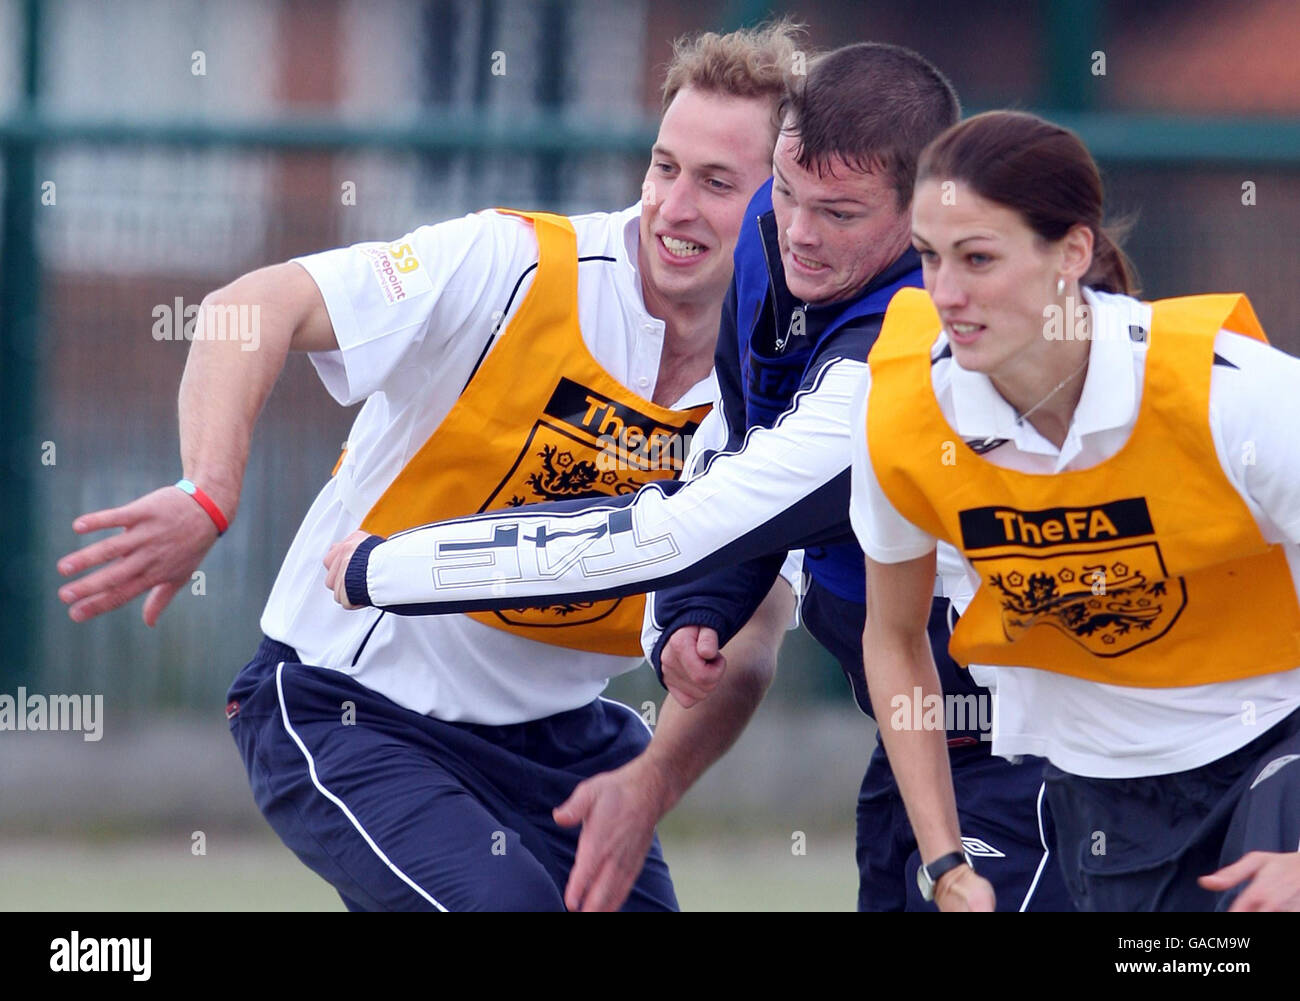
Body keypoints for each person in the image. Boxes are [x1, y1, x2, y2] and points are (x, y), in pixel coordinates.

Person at [55, 21, 805, 911]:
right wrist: (208, 492)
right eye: (663, 166)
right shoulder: (514, 264)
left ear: (782, 206)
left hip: (563, 744)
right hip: (353, 706)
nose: (673, 207)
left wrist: (657, 775)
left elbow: (756, 628)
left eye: (717, 183)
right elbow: (247, 307)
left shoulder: (786, 383)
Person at [324, 46, 1073, 912]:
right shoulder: (769, 242)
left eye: (838, 211)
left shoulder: (900, 362)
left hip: (1052, 749)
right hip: (923, 741)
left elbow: (671, 530)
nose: (797, 229)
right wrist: (700, 608)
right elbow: (746, 437)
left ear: (924, 216)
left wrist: (389, 568)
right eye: (787, 188)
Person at [851, 109, 1300, 912]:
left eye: (978, 257)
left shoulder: (1235, 396)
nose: (945, 293)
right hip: (1103, 795)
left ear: (1073, 252)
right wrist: (944, 861)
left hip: (1276, 744)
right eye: (927, 257)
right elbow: (892, 638)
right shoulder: (906, 415)